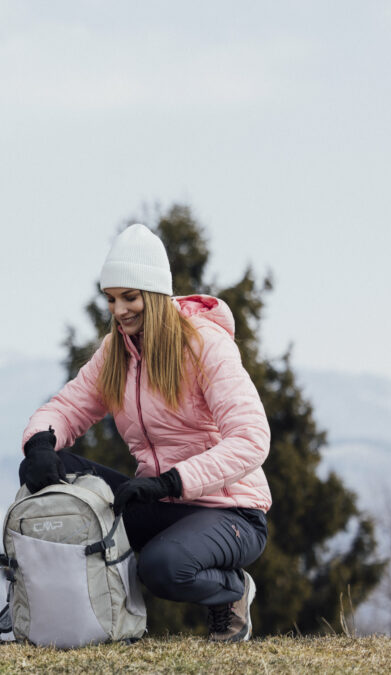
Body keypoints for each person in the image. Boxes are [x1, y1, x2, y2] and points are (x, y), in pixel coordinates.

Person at [19, 223, 271, 643]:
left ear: (154, 294)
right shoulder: (116, 351)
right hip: (160, 501)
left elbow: (251, 439)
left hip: (230, 513)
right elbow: (65, 408)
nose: (120, 310)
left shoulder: (206, 345)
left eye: (130, 297)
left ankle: (233, 592)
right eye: (112, 299)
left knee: (161, 567)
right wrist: (41, 442)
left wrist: (170, 482)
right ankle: (76, 615)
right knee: (53, 468)